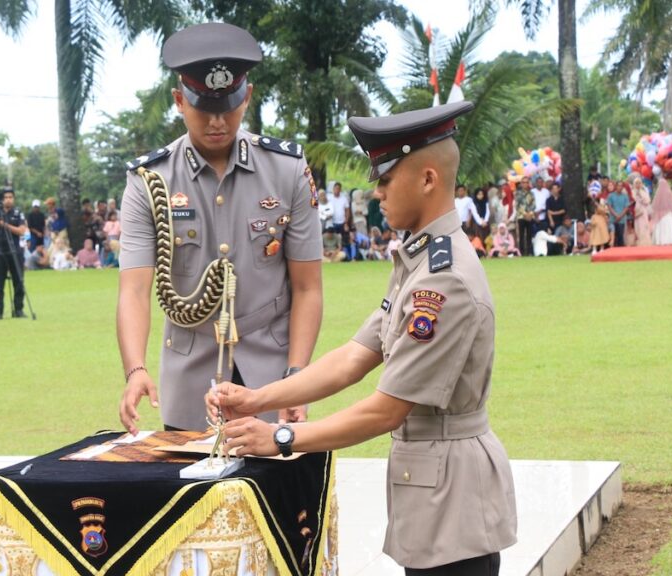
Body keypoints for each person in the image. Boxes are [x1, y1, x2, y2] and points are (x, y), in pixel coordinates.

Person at [210, 101, 516, 576]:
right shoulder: (420, 262)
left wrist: (282, 437)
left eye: (386, 178)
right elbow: (354, 357)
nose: (376, 193)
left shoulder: (442, 280)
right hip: (435, 492)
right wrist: (256, 399)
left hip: (454, 504)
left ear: (428, 179)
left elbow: (386, 409)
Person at [117, 22, 323, 433]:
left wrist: (298, 376)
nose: (217, 122)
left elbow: (308, 287)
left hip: (272, 373)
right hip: (190, 372)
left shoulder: (287, 170)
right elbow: (135, 289)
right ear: (179, 100)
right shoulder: (149, 181)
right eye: (203, 109)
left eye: (228, 107)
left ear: (246, 96)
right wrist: (135, 368)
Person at [0, 187, 28, 319]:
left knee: (18, 281)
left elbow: (22, 231)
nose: (8, 200)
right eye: (6, 197)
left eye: (10, 197)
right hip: (0, 252)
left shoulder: (18, 213)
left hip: (15, 251)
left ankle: (19, 310)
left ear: (14, 199)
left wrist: (5, 225)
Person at [651, 177, 672, 245]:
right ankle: (670, 240)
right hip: (668, 214)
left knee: (661, 227)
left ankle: (660, 241)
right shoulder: (669, 192)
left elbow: (654, 205)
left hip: (660, 214)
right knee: (669, 226)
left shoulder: (658, 193)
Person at [629, 176, 651, 247]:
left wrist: (640, 196)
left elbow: (647, 201)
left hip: (643, 212)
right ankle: (637, 243)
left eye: (639, 183)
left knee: (644, 227)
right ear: (634, 184)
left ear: (641, 184)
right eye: (636, 183)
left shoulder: (644, 192)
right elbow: (630, 202)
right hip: (635, 212)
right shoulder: (631, 192)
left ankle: (645, 243)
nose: (638, 184)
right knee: (636, 227)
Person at [606, 181, 630, 247]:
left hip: (621, 220)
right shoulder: (610, 195)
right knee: (613, 236)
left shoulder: (625, 196)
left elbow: (626, 207)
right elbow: (609, 207)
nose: (620, 187)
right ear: (616, 186)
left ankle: (620, 253)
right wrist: (616, 215)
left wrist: (620, 216)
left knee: (620, 236)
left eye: (621, 186)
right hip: (613, 219)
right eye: (618, 185)